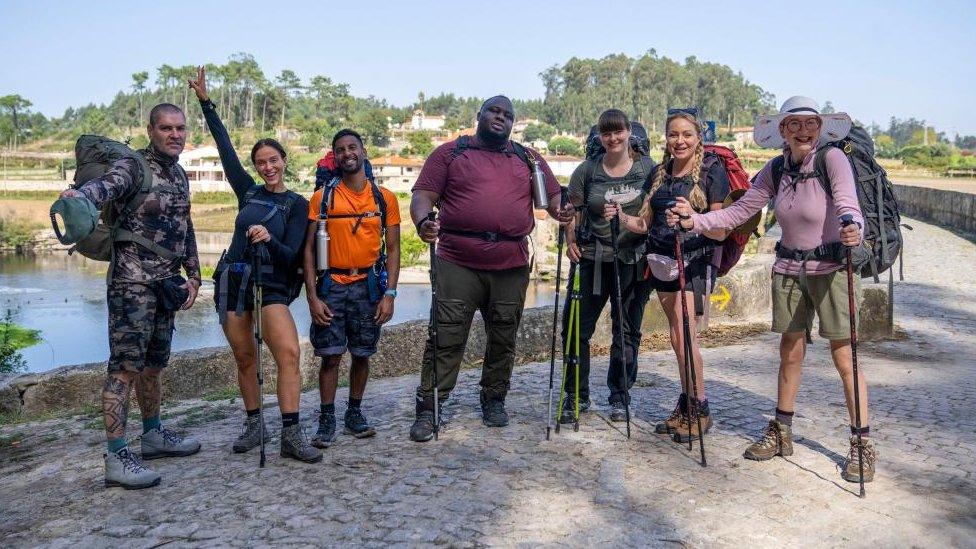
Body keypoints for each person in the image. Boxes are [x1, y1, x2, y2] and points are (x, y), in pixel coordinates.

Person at [669, 96, 873, 483]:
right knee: (790, 351)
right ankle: (781, 431)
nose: (802, 130)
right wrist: (694, 220)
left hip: (831, 269)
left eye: (809, 124)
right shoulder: (776, 168)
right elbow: (740, 211)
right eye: (793, 124)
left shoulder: (832, 160)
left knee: (846, 358)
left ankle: (861, 444)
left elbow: (849, 204)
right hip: (789, 268)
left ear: (820, 127)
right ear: (782, 130)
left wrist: (852, 226)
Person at [408, 95, 574, 442]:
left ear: (513, 123)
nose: (501, 118)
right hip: (457, 259)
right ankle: (430, 407)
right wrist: (423, 221)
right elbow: (422, 196)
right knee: (446, 334)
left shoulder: (527, 157)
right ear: (479, 116)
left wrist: (564, 210)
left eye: (508, 115)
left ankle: (494, 399)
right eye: (494, 112)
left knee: (504, 334)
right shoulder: (449, 153)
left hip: (510, 262)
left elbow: (555, 199)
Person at [62, 103, 202, 489]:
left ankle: (153, 434)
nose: (175, 135)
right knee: (124, 369)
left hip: (165, 285)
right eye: (166, 128)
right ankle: (117, 455)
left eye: (180, 128)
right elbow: (103, 187)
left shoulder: (178, 174)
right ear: (151, 130)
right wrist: (79, 195)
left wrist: (194, 275)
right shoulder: (132, 167)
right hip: (131, 285)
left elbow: (184, 224)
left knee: (155, 365)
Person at [188, 67, 320, 463]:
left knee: (289, 355)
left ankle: (291, 434)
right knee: (245, 358)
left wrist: (269, 238)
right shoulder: (247, 192)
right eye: (261, 162)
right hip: (235, 282)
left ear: (284, 161)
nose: (267, 167)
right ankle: (253, 423)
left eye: (273, 160)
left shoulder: (297, 204)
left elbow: (293, 252)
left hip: (273, 286)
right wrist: (206, 103)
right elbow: (224, 147)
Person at [606, 108, 730, 442]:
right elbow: (644, 224)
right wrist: (620, 216)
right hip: (660, 260)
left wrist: (692, 218)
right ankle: (686, 403)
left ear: (698, 137)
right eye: (673, 134)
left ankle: (699, 409)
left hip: (692, 263)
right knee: (677, 339)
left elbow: (721, 231)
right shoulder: (661, 172)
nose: (679, 141)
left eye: (686, 134)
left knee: (687, 340)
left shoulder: (711, 172)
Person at [303, 129, 401, 448]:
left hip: (369, 287)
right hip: (332, 285)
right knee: (330, 357)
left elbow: (395, 249)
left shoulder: (384, 198)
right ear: (334, 156)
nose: (347, 153)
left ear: (363, 151)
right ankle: (327, 417)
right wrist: (313, 298)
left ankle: (354, 413)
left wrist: (391, 294)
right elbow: (307, 251)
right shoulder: (322, 198)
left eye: (352, 147)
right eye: (340, 149)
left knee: (362, 354)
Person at [560, 109, 655, 424]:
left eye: (618, 132)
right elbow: (573, 210)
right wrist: (570, 239)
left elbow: (654, 214)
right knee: (575, 330)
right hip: (592, 260)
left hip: (633, 261)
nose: (613, 138)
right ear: (599, 137)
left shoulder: (648, 170)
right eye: (606, 133)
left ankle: (619, 396)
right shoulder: (587, 171)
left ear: (629, 132)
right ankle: (576, 396)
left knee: (626, 332)